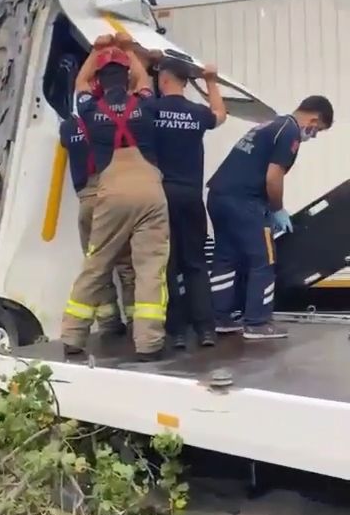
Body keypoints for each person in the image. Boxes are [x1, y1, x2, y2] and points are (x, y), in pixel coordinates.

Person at [61, 34, 169, 362]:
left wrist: (97, 51)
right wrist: (126, 49)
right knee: (150, 267)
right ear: (128, 79)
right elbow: (144, 78)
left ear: (99, 81)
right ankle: (149, 343)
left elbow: (80, 80)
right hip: (151, 191)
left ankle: (72, 337)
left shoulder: (90, 111)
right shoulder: (146, 103)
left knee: (96, 264)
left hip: (111, 192)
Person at [207, 95, 334, 340]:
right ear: (313, 118)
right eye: (317, 129)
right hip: (245, 202)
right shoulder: (290, 132)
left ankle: (219, 318)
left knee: (226, 258)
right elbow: (273, 177)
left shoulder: (270, 125)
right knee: (264, 261)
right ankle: (257, 323)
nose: (313, 134)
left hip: (219, 197)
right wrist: (277, 208)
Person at [154, 57, 227, 350]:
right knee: (196, 264)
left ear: (164, 80)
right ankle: (206, 330)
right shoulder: (197, 113)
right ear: (185, 83)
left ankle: (178, 332)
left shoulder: (152, 109)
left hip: (162, 197)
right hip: (191, 196)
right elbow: (220, 114)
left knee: (168, 265)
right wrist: (210, 80)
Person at [59, 97, 134, 335]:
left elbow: (64, 143)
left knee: (96, 264)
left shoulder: (68, 128)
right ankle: (135, 320)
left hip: (87, 202)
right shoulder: (109, 122)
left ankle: (108, 322)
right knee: (125, 263)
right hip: (112, 196)